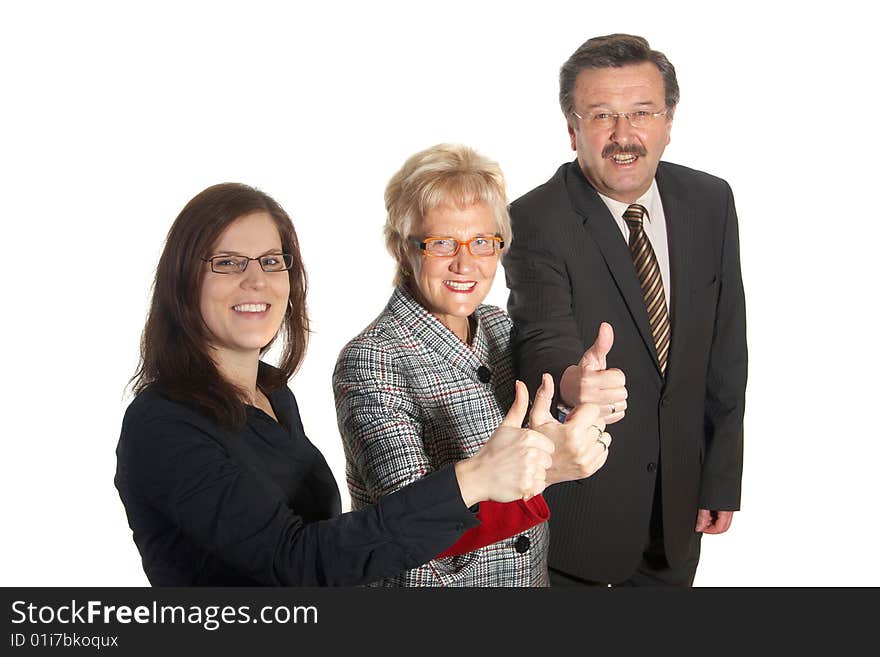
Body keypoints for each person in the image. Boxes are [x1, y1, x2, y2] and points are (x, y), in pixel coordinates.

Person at [115, 182, 562, 586]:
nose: (256, 280)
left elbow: (345, 544)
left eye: (272, 261)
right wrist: (474, 478)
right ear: (183, 281)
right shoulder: (162, 425)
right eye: (227, 263)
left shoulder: (272, 395)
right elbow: (296, 562)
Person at [504, 34, 747, 586]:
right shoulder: (534, 219)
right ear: (572, 129)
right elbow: (540, 335)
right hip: (583, 517)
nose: (623, 137)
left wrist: (719, 476)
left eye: (641, 113)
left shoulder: (711, 202)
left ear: (669, 119)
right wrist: (572, 383)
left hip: (680, 511)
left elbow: (726, 350)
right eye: (601, 116)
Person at [333, 144, 613, 587]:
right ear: (402, 249)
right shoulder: (372, 359)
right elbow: (411, 529)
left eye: (482, 242)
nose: (466, 263)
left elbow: (534, 434)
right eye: (442, 242)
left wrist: (577, 405)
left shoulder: (499, 328)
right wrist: (551, 468)